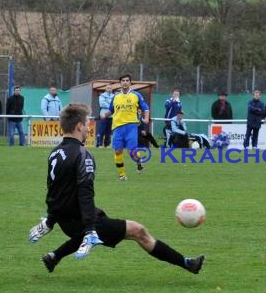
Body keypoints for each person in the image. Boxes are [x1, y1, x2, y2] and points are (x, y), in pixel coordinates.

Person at [28, 103, 205, 274]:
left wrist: (51, 221)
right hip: (84, 220)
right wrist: (90, 230)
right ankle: (187, 264)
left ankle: (54, 257)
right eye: (87, 125)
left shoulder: (55, 153)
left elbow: (55, 191)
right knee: (138, 231)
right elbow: (85, 193)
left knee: (87, 229)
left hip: (68, 220)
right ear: (79, 126)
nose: (89, 129)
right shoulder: (82, 155)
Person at [101, 74, 150, 180]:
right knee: (118, 151)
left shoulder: (136, 95)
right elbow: (111, 110)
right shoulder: (116, 96)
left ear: (130, 83)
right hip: (118, 127)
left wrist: (146, 119)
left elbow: (146, 108)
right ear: (120, 83)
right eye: (123, 80)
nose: (125, 82)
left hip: (131, 126)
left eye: (127, 80)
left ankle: (139, 161)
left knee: (131, 152)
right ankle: (122, 175)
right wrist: (104, 114)